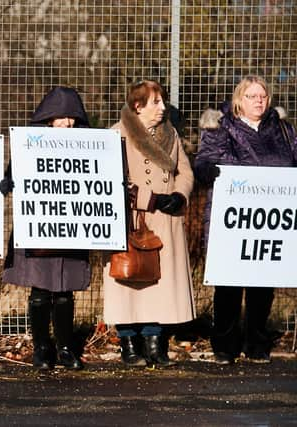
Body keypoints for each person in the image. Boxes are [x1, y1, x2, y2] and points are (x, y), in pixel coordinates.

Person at [194, 75, 297, 364]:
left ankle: (257, 342)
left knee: (262, 284)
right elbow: (204, 160)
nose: (259, 101)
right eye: (252, 96)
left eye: (262, 96)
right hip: (232, 220)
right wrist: (207, 171)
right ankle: (225, 344)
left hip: (270, 220)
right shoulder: (221, 128)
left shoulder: (284, 131)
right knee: (228, 283)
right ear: (240, 99)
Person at [103, 79, 195, 367]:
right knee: (128, 280)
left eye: (162, 101)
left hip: (167, 220)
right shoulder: (116, 135)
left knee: (161, 284)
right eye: (156, 102)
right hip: (133, 219)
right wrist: (150, 199)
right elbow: (113, 181)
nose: (163, 107)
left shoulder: (171, 135)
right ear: (137, 106)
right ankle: (129, 344)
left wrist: (180, 196)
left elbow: (185, 172)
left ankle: (156, 343)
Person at [0, 86, 90, 370]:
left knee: (65, 291)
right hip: (39, 226)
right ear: (49, 118)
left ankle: (65, 347)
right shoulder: (29, 144)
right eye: (61, 117)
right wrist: (8, 182)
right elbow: (12, 173)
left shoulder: (88, 145)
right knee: (40, 291)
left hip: (73, 226)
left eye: (71, 117)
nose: (67, 123)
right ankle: (41, 348)